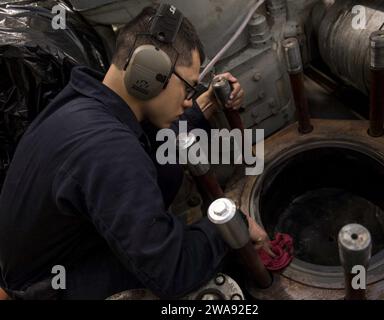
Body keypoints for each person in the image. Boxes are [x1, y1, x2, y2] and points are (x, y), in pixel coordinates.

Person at [0, 4, 273, 300]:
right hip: (50, 288)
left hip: (53, 259)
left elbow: (147, 138)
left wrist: (205, 106)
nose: (188, 101)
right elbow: (173, 272)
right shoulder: (109, 151)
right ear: (149, 72)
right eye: (188, 88)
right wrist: (235, 222)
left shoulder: (85, 99)